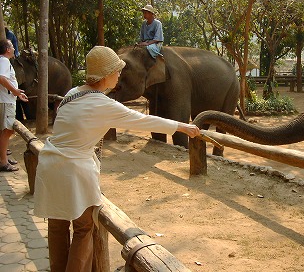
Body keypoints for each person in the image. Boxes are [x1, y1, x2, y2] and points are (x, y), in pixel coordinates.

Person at [33, 45, 200, 271]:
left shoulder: (73, 93)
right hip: (72, 171)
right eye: (118, 71)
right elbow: (143, 121)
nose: (120, 75)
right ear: (107, 74)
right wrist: (181, 126)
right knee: (83, 229)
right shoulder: (103, 104)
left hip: (50, 166)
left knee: (57, 226)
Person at [0, 39, 28, 172]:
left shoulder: (4, 61)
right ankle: (3, 162)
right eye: (11, 46)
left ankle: (3, 156)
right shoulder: (4, 61)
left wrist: (17, 94)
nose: (13, 48)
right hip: (6, 100)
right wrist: (15, 91)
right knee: (7, 130)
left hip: (7, 99)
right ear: (7, 49)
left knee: (5, 130)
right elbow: (2, 78)